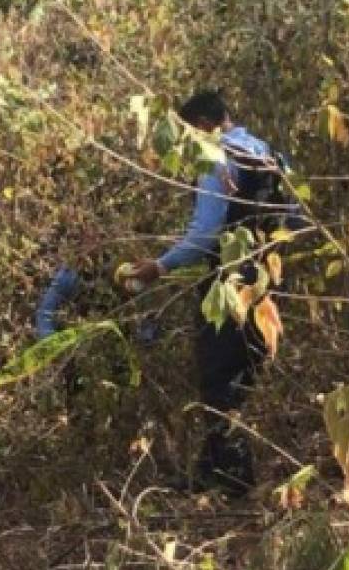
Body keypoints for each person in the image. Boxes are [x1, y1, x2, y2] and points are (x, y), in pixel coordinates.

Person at [123, 90, 298, 496]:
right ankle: (211, 469)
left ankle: (235, 480)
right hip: (269, 280)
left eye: (186, 134)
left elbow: (204, 234)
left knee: (219, 376)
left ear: (202, 124)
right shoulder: (267, 152)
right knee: (245, 372)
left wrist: (159, 267)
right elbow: (297, 214)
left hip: (229, 282)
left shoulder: (216, 160)